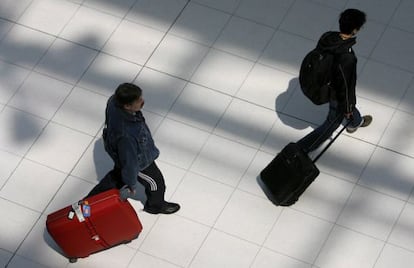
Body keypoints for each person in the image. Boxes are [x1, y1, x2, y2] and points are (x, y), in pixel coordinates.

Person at [88, 83, 180, 214]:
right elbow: (130, 163)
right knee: (156, 183)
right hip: (140, 162)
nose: (142, 101)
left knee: (117, 177)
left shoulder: (114, 101)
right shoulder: (127, 135)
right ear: (127, 106)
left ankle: (89, 202)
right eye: (138, 101)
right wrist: (131, 183)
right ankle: (155, 205)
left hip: (118, 148)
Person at [297, 8, 372, 153]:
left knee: (345, 109)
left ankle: (356, 121)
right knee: (332, 122)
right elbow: (346, 86)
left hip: (322, 81)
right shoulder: (347, 57)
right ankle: (302, 148)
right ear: (355, 30)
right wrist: (348, 109)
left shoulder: (328, 37)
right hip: (333, 91)